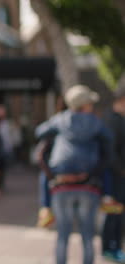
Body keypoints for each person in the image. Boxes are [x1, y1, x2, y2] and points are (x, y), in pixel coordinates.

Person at [35, 84, 112, 264]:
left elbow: (39, 132)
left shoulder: (60, 120)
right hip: (89, 185)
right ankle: (108, 197)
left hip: (62, 185)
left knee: (63, 235)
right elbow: (109, 139)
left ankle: (44, 207)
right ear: (86, 105)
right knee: (87, 236)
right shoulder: (95, 122)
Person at [101, 77, 125, 263]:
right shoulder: (111, 120)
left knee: (118, 215)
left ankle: (114, 247)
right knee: (114, 215)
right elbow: (110, 154)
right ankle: (110, 248)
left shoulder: (118, 119)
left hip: (119, 177)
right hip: (114, 179)